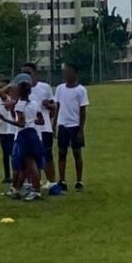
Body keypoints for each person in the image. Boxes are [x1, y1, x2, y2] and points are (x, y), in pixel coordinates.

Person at [0, 80, 44, 202]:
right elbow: (41, 121)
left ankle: (36, 190)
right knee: (24, 166)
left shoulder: (20, 105)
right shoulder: (34, 103)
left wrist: (4, 119)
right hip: (33, 133)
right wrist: (30, 119)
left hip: (24, 135)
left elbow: (20, 123)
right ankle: (17, 190)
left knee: (30, 163)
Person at [54, 63, 89, 192]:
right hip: (63, 125)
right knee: (61, 152)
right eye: (64, 72)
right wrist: (54, 124)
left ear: (75, 73)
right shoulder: (60, 89)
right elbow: (58, 107)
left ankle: (79, 181)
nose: (66, 75)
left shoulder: (81, 90)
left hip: (74, 125)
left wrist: (80, 129)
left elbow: (82, 111)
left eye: (68, 72)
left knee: (77, 153)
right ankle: (62, 180)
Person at [22, 62, 58, 187]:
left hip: (44, 127)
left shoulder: (44, 87)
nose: (25, 76)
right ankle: (34, 181)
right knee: (30, 157)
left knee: (47, 155)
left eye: (28, 73)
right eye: (23, 73)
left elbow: (54, 107)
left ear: (35, 73)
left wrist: (48, 106)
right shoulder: (22, 90)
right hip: (29, 129)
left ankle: (52, 182)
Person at [0, 76, 15, 185]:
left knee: (13, 153)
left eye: (2, 87)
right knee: (5, 153)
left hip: (12, 129)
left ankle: (16, 174)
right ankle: (7, 176)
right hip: (2, 129)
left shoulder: (12, 99)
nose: (0, 89)